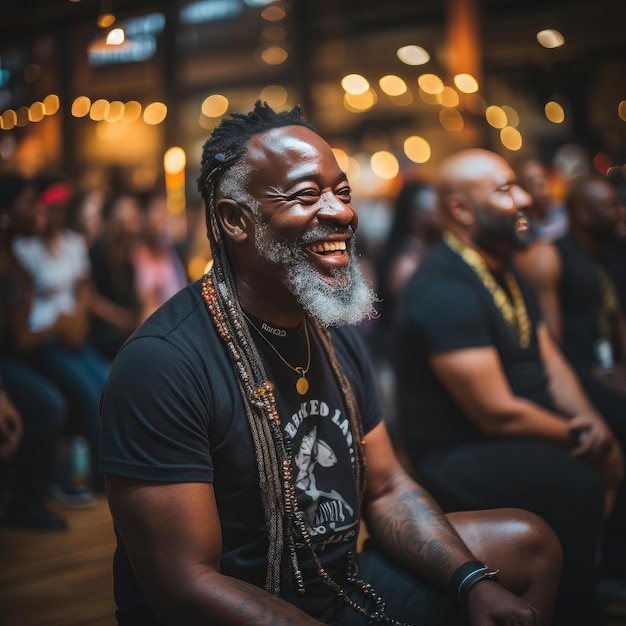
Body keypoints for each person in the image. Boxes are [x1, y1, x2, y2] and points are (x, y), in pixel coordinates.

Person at [100, 102, 562, 626]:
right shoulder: (161, 363)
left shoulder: (331, 334)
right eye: (305, 195)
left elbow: (387, 488)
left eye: (341, 192)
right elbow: (184, 583)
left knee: (530, 546)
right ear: (235, 220)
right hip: (237, 609)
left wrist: (471, 581)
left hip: (340, 582)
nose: (341, 212)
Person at [391, 148, 624, 626]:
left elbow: (551, 360)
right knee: (575, 479)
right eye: (503, 190)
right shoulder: (441, 285)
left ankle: (605, 578)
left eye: (516, 184)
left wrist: (596, 425)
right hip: (459, 452)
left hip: (513, 428)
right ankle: (578, 610)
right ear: (460, 210)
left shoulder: (503, 265)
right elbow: (495, 411)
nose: (523, 198)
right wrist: (580, 437)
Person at [12, 175, 109, 493]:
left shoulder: (73, 242)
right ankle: (98, 475)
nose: (57, 214)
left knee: (108, 382)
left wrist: (77, 318)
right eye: (51, 207)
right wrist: (60, 323)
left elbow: (84, 288)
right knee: (86, 391)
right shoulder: (25, 248)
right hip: (46, 337)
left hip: (74, 332)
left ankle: (112, 468)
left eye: (62, 207)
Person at [0, 173, 69, 529]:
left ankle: (45, 484)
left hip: (17, 358)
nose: (37, 209)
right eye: (29, 202)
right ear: (6, 212)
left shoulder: (14, 254)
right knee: (47, 403)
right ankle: (24, 501)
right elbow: (20, 336)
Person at [88, 192, 143, 361]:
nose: (133, 219)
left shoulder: (128, 254)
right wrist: (122, 319)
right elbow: (91, 299)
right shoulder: (98, 251)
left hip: (126, 328)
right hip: (104, 333)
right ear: (113, 217)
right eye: (127, 213)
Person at [515, 158, 568, 242]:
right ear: (521, 188)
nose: (541, 183)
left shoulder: (564, 209)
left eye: (543, 176)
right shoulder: (522, 225)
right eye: (531, 181)